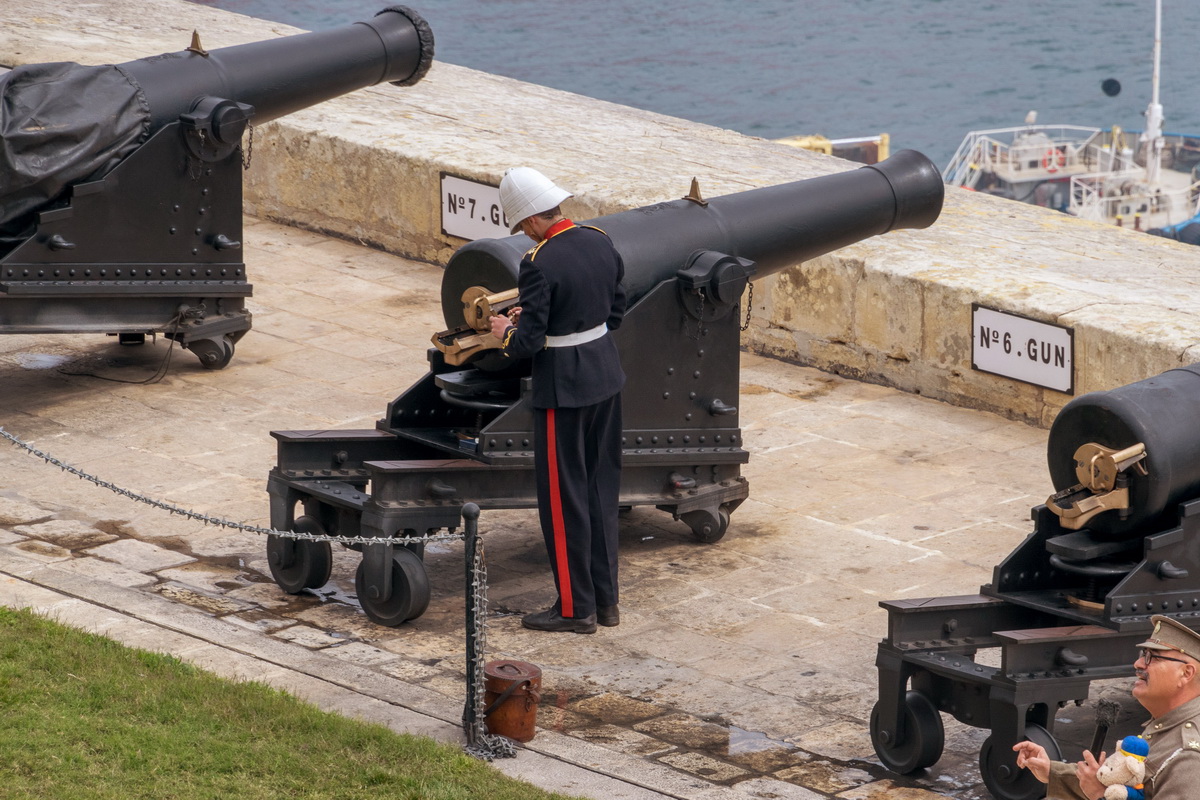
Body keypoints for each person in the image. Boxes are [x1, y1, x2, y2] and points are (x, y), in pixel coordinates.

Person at [488, 166, 626, 635]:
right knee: (600, 494)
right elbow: (615, 311)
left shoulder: (537, 263)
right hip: (605, 378)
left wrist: (508, 330)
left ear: (528, 223)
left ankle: (574, 610)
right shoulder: (600, 239)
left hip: (563, 390)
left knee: (563, 502)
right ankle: (606, 603)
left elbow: (526, 346)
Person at [1012, 615, 1200, 799]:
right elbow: (1120, 783)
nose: (1138, 664)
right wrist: (1051, 770)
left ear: (1186, 673)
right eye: (1143, 655)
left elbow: (1105, 791)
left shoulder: (1189, 756)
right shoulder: (1168, 724)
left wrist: (1099, 795)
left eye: (1153, 657)